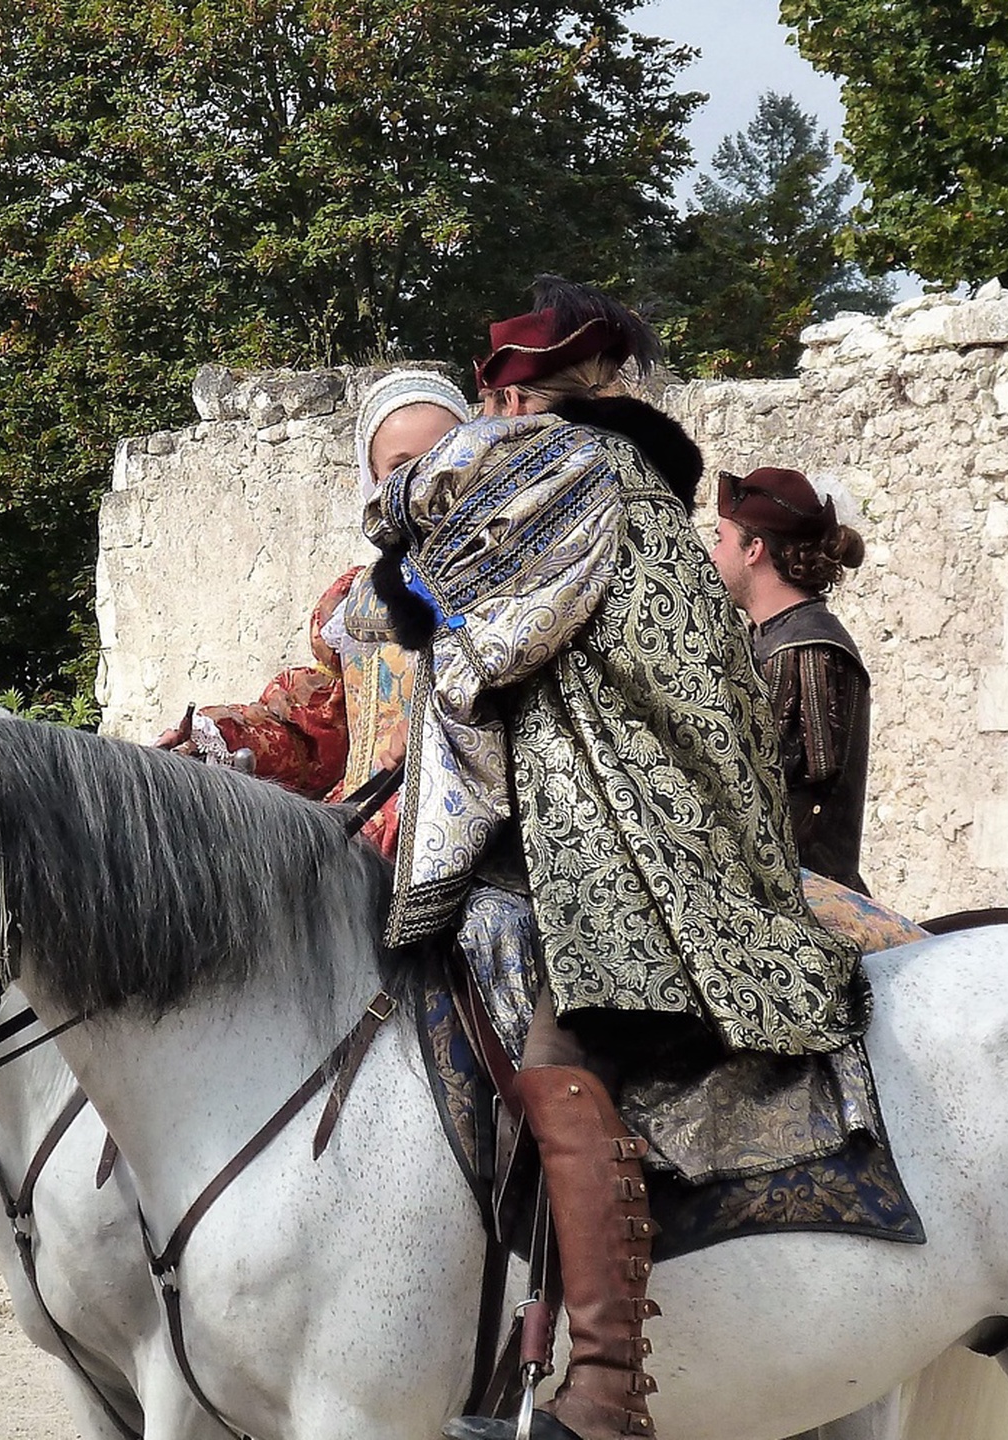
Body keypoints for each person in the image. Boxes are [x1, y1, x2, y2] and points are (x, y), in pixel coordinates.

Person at [370, 279, 861, 1440]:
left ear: (517, 393)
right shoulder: (632, 488)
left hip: (627, 828)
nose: (493, 422)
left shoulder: (571, 476)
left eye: (501, 398)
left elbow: (438, 599)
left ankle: (600, 1380)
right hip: (605, 805)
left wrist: (412, 560)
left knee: (560, 1031)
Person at [156, 370, 472, 852]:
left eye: (445, 456)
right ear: (374, 481)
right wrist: (215, 736)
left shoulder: (524, 579)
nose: (426, 479)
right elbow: (315, 732)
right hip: (364, 832)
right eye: (402, 466)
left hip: (475, 829)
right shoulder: (357, 598)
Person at [708, 467, 874, 894]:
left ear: (754, 550)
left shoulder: (803, 649)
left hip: (803, 896)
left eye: (720, 539)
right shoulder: (768, 637)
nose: (712, 555)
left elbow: (767, 792)